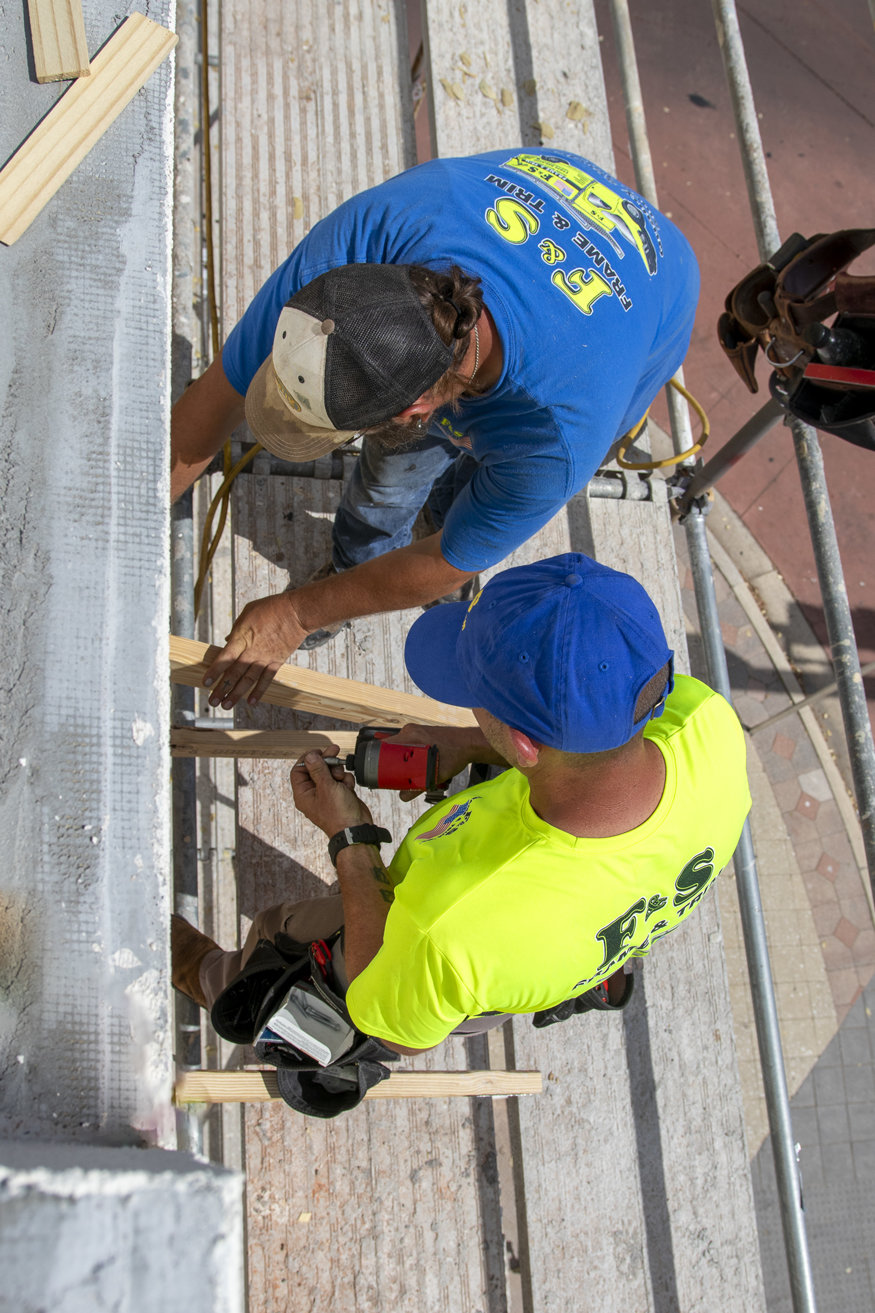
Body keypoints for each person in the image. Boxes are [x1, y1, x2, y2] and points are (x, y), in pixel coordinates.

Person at [170, 149, 699, 708]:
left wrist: (299, 613)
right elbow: (208, 405)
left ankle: (439, 513)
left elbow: (447, 564)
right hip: (542, 192)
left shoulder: (558, 431)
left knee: (461, 500)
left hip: (656, 286)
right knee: (388, 482)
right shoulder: (361, 246)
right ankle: (365, 556)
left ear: (415, 412)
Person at [171, 552, 750, 1055]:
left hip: (434, 970)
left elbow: (392, 1026)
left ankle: (198, 970)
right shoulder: (710, 727)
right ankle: (587, 978)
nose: (469, 708)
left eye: (476, 700)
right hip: (550, 947)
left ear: (524, 744)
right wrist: (469, 745)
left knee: (282, 943)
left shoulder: (453, 930)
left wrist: (351, 839)